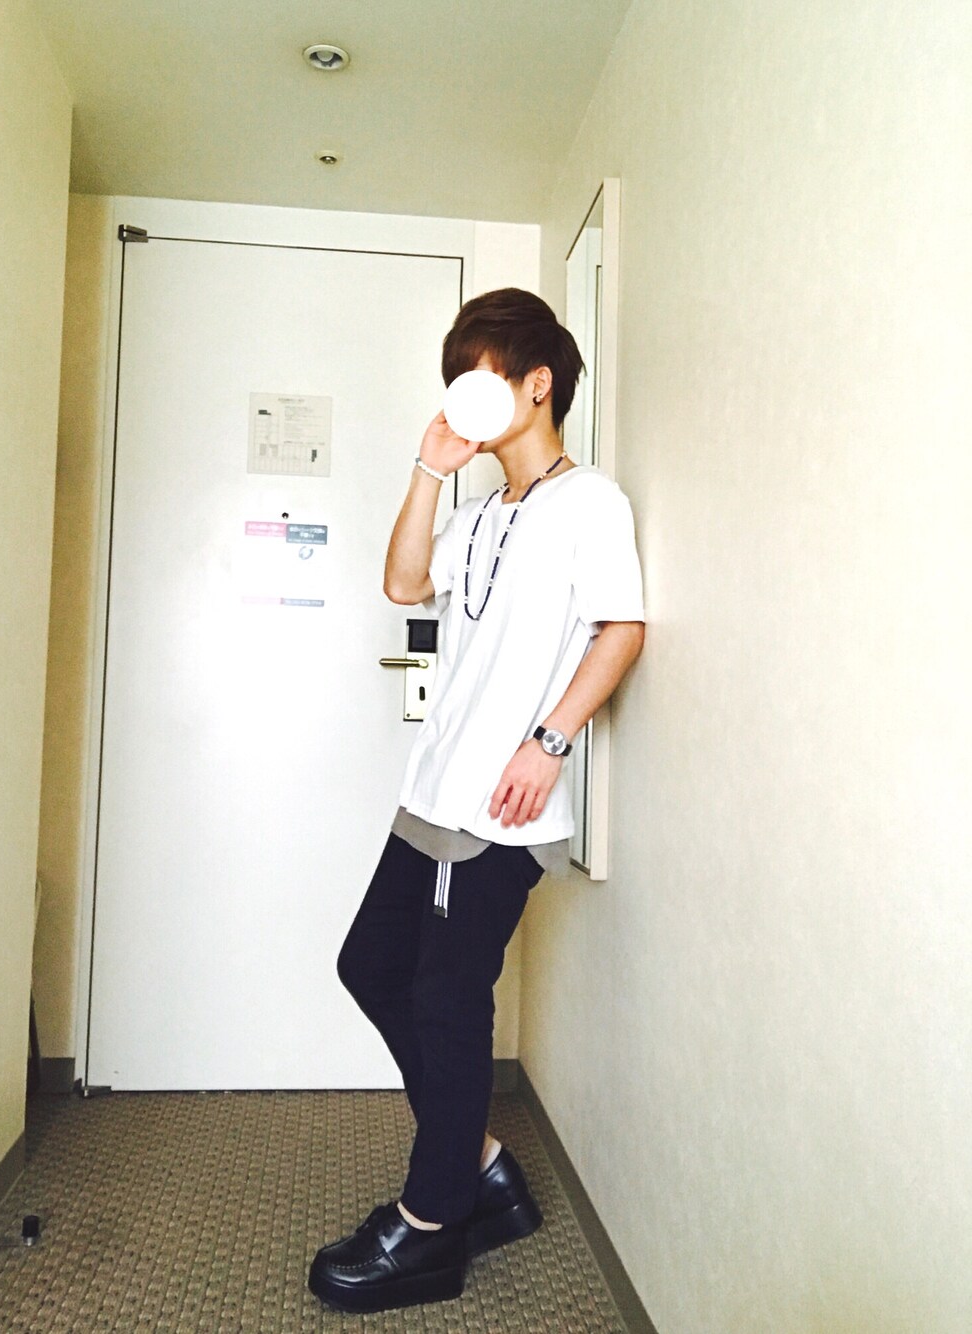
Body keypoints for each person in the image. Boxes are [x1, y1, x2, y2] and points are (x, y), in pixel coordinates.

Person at [308, 288, 645, 1314]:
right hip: (434, 791)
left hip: (499, 808)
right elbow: (404, 583)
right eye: (455, 376)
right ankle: (484, 1166)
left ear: (537, 384)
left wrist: (551, 741)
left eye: (481, 374)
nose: (464, 391)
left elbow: (622, 628)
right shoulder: (478, 513)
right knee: (371, 965)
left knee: (448, 1003)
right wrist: (429, 467)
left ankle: (431, 1226)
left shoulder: (591, 503)